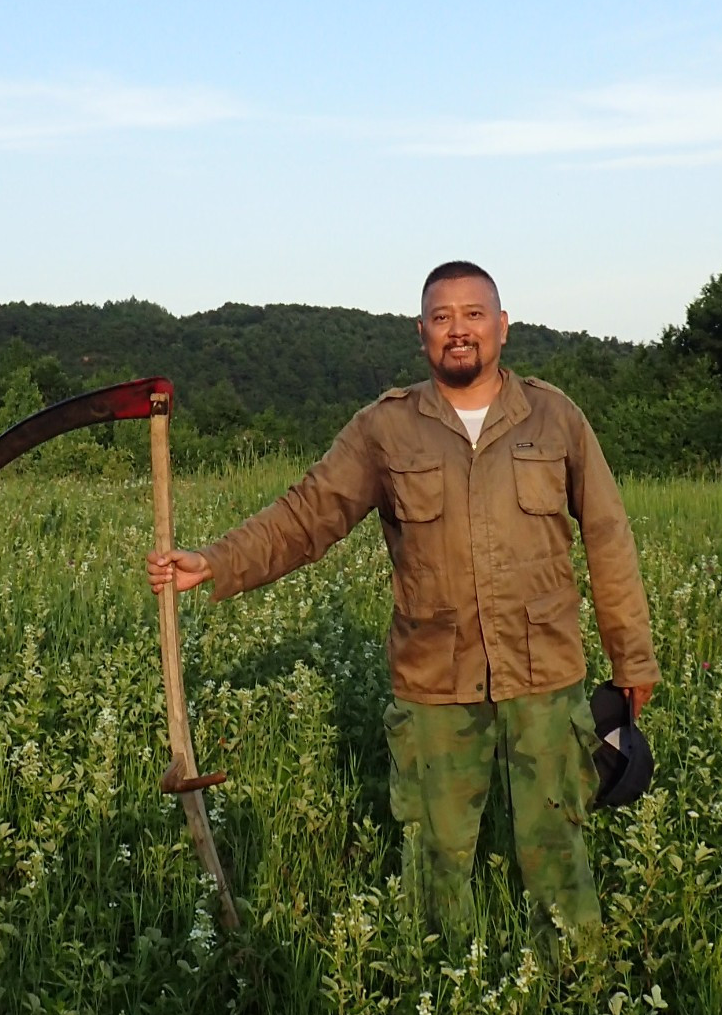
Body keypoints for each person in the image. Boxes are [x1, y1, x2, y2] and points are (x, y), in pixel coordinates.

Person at [147, 261, 659, 946]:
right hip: (433, 682)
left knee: (558, 853)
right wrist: (214, 561)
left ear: (503, 327)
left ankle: (577, 1000)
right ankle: (448, 998)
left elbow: (608, 536)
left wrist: (633, 658)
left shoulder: (555, 417)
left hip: (546, 676)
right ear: (421, 334)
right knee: (436, 865)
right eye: (443, 317)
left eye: (474, 315)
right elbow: (307, 516)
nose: (459, 330)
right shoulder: (385, 430)